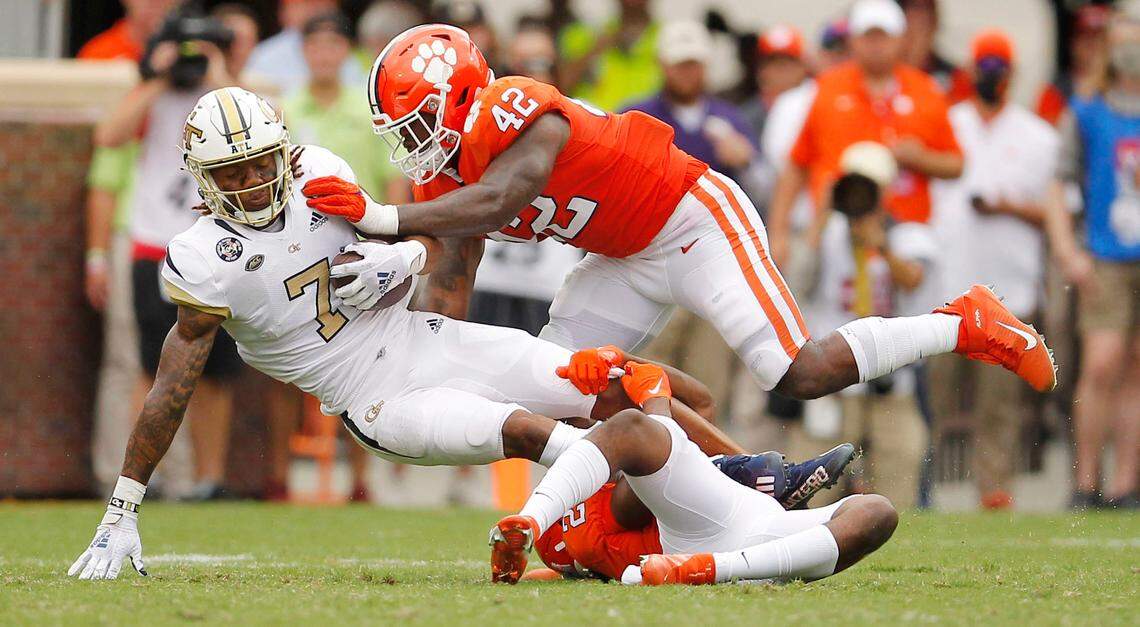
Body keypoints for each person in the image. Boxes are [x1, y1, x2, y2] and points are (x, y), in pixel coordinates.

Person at [65, 88, 844, 579]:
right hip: (374, 399)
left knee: (605, 383)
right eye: (228, 174)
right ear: (200, 180)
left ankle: (755, 477)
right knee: (546, 433)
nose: (249, 183)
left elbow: (412, 245)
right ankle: (746, 509)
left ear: (283, 150)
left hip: (423, 336)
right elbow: (172, 383)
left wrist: (394, 259)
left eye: (258, 163)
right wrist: (121, 508)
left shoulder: (320, 174)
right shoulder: (205, 260)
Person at [306, 25, 1054, 438]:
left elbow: (510, 192)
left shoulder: (514, 103)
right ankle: (719, 475)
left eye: (420, 123)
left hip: (691, 219)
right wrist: (416, 371)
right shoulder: (442, 175)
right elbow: (451, 280)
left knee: (798, 371)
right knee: (559, 391)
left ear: (464, 96)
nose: (413, 145)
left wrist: (385, 218)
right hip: (617, 257)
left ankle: (963, 323)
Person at [490, 360, 896, 585]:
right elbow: (639, 457)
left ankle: (727, 543)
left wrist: (636, 368)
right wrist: (652, 393)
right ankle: (759, 475)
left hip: (748, 549)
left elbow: (697, 409)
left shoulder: (572, 518)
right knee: (637, 429)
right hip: (696, 529)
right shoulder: (587, 507)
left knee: (878, 511)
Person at [94, 5, 258, 500]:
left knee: (216, 372)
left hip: (217, 247)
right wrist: (159, 76)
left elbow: (265, 134)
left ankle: (208, 480)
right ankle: (146, 478)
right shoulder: (155, 94)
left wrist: (219, 75)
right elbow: (109, 135)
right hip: (154, 244)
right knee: (149, 365)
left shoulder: (228, 100)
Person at [932, 30, 1059, 510]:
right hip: (946, 286)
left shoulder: (1037, 137)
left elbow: (1058, 209)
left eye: (998, 68)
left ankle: (994, 487)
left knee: (998, 402)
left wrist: (1008, 207)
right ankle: (927, 483)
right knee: (939, 395)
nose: (991, 77)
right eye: (984, 66)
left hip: (1009, 289)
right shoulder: (948, 124)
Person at [621, 20, 759, 418]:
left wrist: (746, 161)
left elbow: (762, 189)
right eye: (680, 64)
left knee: (707, 378)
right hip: (649, 264)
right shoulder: (636, 116)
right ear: (663, 65)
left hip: (713, 267)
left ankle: (704, 467)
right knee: (645, 370)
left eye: (693, 64)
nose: (687, 72)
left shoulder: (729, 118)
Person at [767, 0, 963, 267]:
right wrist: (778, 232)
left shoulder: (926, 90)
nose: (876, 45)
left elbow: (956, 164)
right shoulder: (828, 88)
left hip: (905, 226)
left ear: (901, 40)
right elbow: (797, 165)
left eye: (883, 36)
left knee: (913, 296)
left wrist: (920, 157)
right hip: (837, 225)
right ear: (854, 41)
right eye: (868, 37)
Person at [796, 141, 936, 509]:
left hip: (891, 379)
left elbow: (914, 280)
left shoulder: (908, 235)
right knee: (816, 492)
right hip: (833, 381)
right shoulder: (825, 235)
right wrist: (822, 215)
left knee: (897, 479)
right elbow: (793, 282)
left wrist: (884, 248)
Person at [79, 0, 176, 495]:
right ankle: (114, 474)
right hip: (134, 240)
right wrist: (156, 80)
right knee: (127, 360)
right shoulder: (135, 91)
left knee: (181, 358)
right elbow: (108, 150)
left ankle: (179, 478)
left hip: (186, 243)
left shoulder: (208, 100)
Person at [1046, 9, 1140, 509]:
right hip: (1104, 253)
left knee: (1137, 369)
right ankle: (1086, 481)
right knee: (1101, 363)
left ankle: (1127, 482)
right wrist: (1068, 251)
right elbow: (1058, 184)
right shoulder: (1086, 109)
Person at [558, 0, 660, 111]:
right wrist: (594, 50)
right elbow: (559, 86)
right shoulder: (583, 34)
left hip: (647, 122)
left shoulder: (667, 37)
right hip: (594, 122)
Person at [245, 0, 365, 94]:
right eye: (304, 3)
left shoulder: (352, 58)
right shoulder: (264, 55)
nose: (313, 9)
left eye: (319, 2)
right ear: (284, 10)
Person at [1037, 4, 1111, 127]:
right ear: (1073, 42)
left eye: (1099, 38)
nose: (1093, 45)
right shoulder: (1056, 91)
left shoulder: (1123, 89)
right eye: (1086, 38)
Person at [741, 24, 809, 154]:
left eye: (787, 63)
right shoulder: (746, 117)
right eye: (773, 63)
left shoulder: (816, 104)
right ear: (761, 70)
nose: (780, 71)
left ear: (803, 67)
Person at [899, 0, 972, 104]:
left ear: (935, 21)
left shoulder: (955, 77)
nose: (920, 20)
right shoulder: (883, 75)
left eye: (925, 11)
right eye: (913, 9)